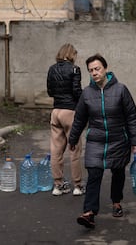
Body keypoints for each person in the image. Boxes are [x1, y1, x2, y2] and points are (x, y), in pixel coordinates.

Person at [69, 53, 136, 229]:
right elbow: (79, 119)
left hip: (118, 140)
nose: (94, 73)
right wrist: (73, 138)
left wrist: (135, 141)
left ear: (106, 69)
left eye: (97, 68)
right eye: (91, 70)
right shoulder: (87, 93)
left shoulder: (121, 90)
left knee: (118, 172)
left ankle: (116, 202)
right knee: (94, 174)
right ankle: (89, 213)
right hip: (96, 140)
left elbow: (131, 116)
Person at [47, 43, 84, 196]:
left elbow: (50, 92)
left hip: (55, 111)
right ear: (71, 54)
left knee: (56, 150)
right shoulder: (75, 69)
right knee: (74, 149)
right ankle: (77, 186)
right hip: (70, 112)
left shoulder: (51, 69)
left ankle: (58, 185)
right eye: (75, 54)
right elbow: (76, 91)